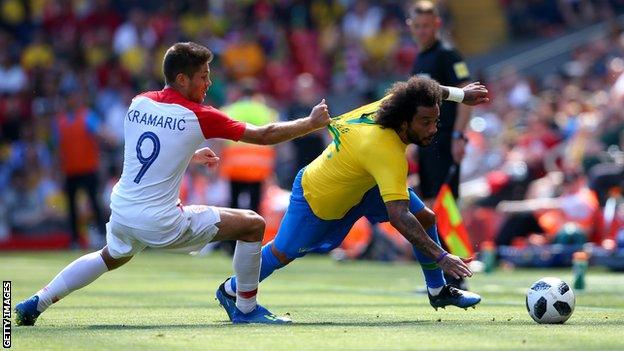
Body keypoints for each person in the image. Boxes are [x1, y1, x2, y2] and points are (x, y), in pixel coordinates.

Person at [15, 42, 331, 326]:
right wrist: (310, 123)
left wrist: (190, 154)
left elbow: (147, 148)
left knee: (111, 256)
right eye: (204, 76)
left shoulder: (139, 102)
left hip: (124, 211)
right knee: (253, 225)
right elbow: (264, 135)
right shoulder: (199, 115)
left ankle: (36, 302)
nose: (209, 83)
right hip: (161, 221)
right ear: (182, 79)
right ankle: (245, 307)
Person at [216, 76, 489, 323]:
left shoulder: (400, 103)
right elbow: (398, 216)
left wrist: (460, 95)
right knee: (281, 254)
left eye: (436, 121)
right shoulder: (385, 151)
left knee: (425, 217)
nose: (433, 129)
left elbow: (423, 89)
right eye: (426, 123)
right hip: (320, 197)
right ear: (405, 123)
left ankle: (438, 290)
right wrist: (441, 256)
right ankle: (231, 290)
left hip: (362, 185)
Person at [407, 0, 473, 289]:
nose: (422, 31)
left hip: (444, 139)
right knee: (431, 206)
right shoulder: (419, 59)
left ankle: (458, 275)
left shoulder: (447, 55)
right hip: (426, 142)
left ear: (437, 25)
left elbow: (467, 96)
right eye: (417, 26)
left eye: (427, 26)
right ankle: (444, 274)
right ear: (411, 27)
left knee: (444, 206)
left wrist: (459, 135)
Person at [54, 88, 108, 249]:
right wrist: (59, 170)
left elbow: (100, 133)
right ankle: (74, 239)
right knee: (71, 206)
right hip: (70, 170)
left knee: (94, 202)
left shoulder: (87, 116)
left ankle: (101, 234)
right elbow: (59, 148)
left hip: (88, 168)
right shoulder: (61, 121)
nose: (73, 101)